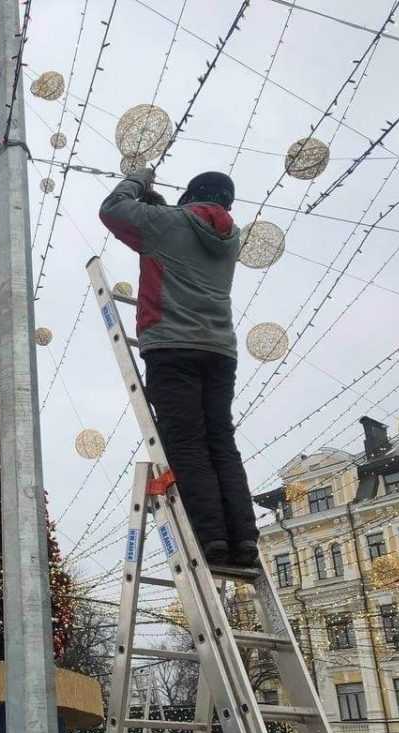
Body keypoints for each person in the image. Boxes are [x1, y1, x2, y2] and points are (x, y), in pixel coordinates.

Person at [100, 167, 260, 569]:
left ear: (190, 194)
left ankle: (211, 538)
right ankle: (243, 538)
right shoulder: (230, 237)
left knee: (186, 442)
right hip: (219, 350)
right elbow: (182, 227)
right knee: (220, 441)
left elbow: (113, 209)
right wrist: (162, 208)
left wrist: (139, 179)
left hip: (171, 345)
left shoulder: (166, 223)